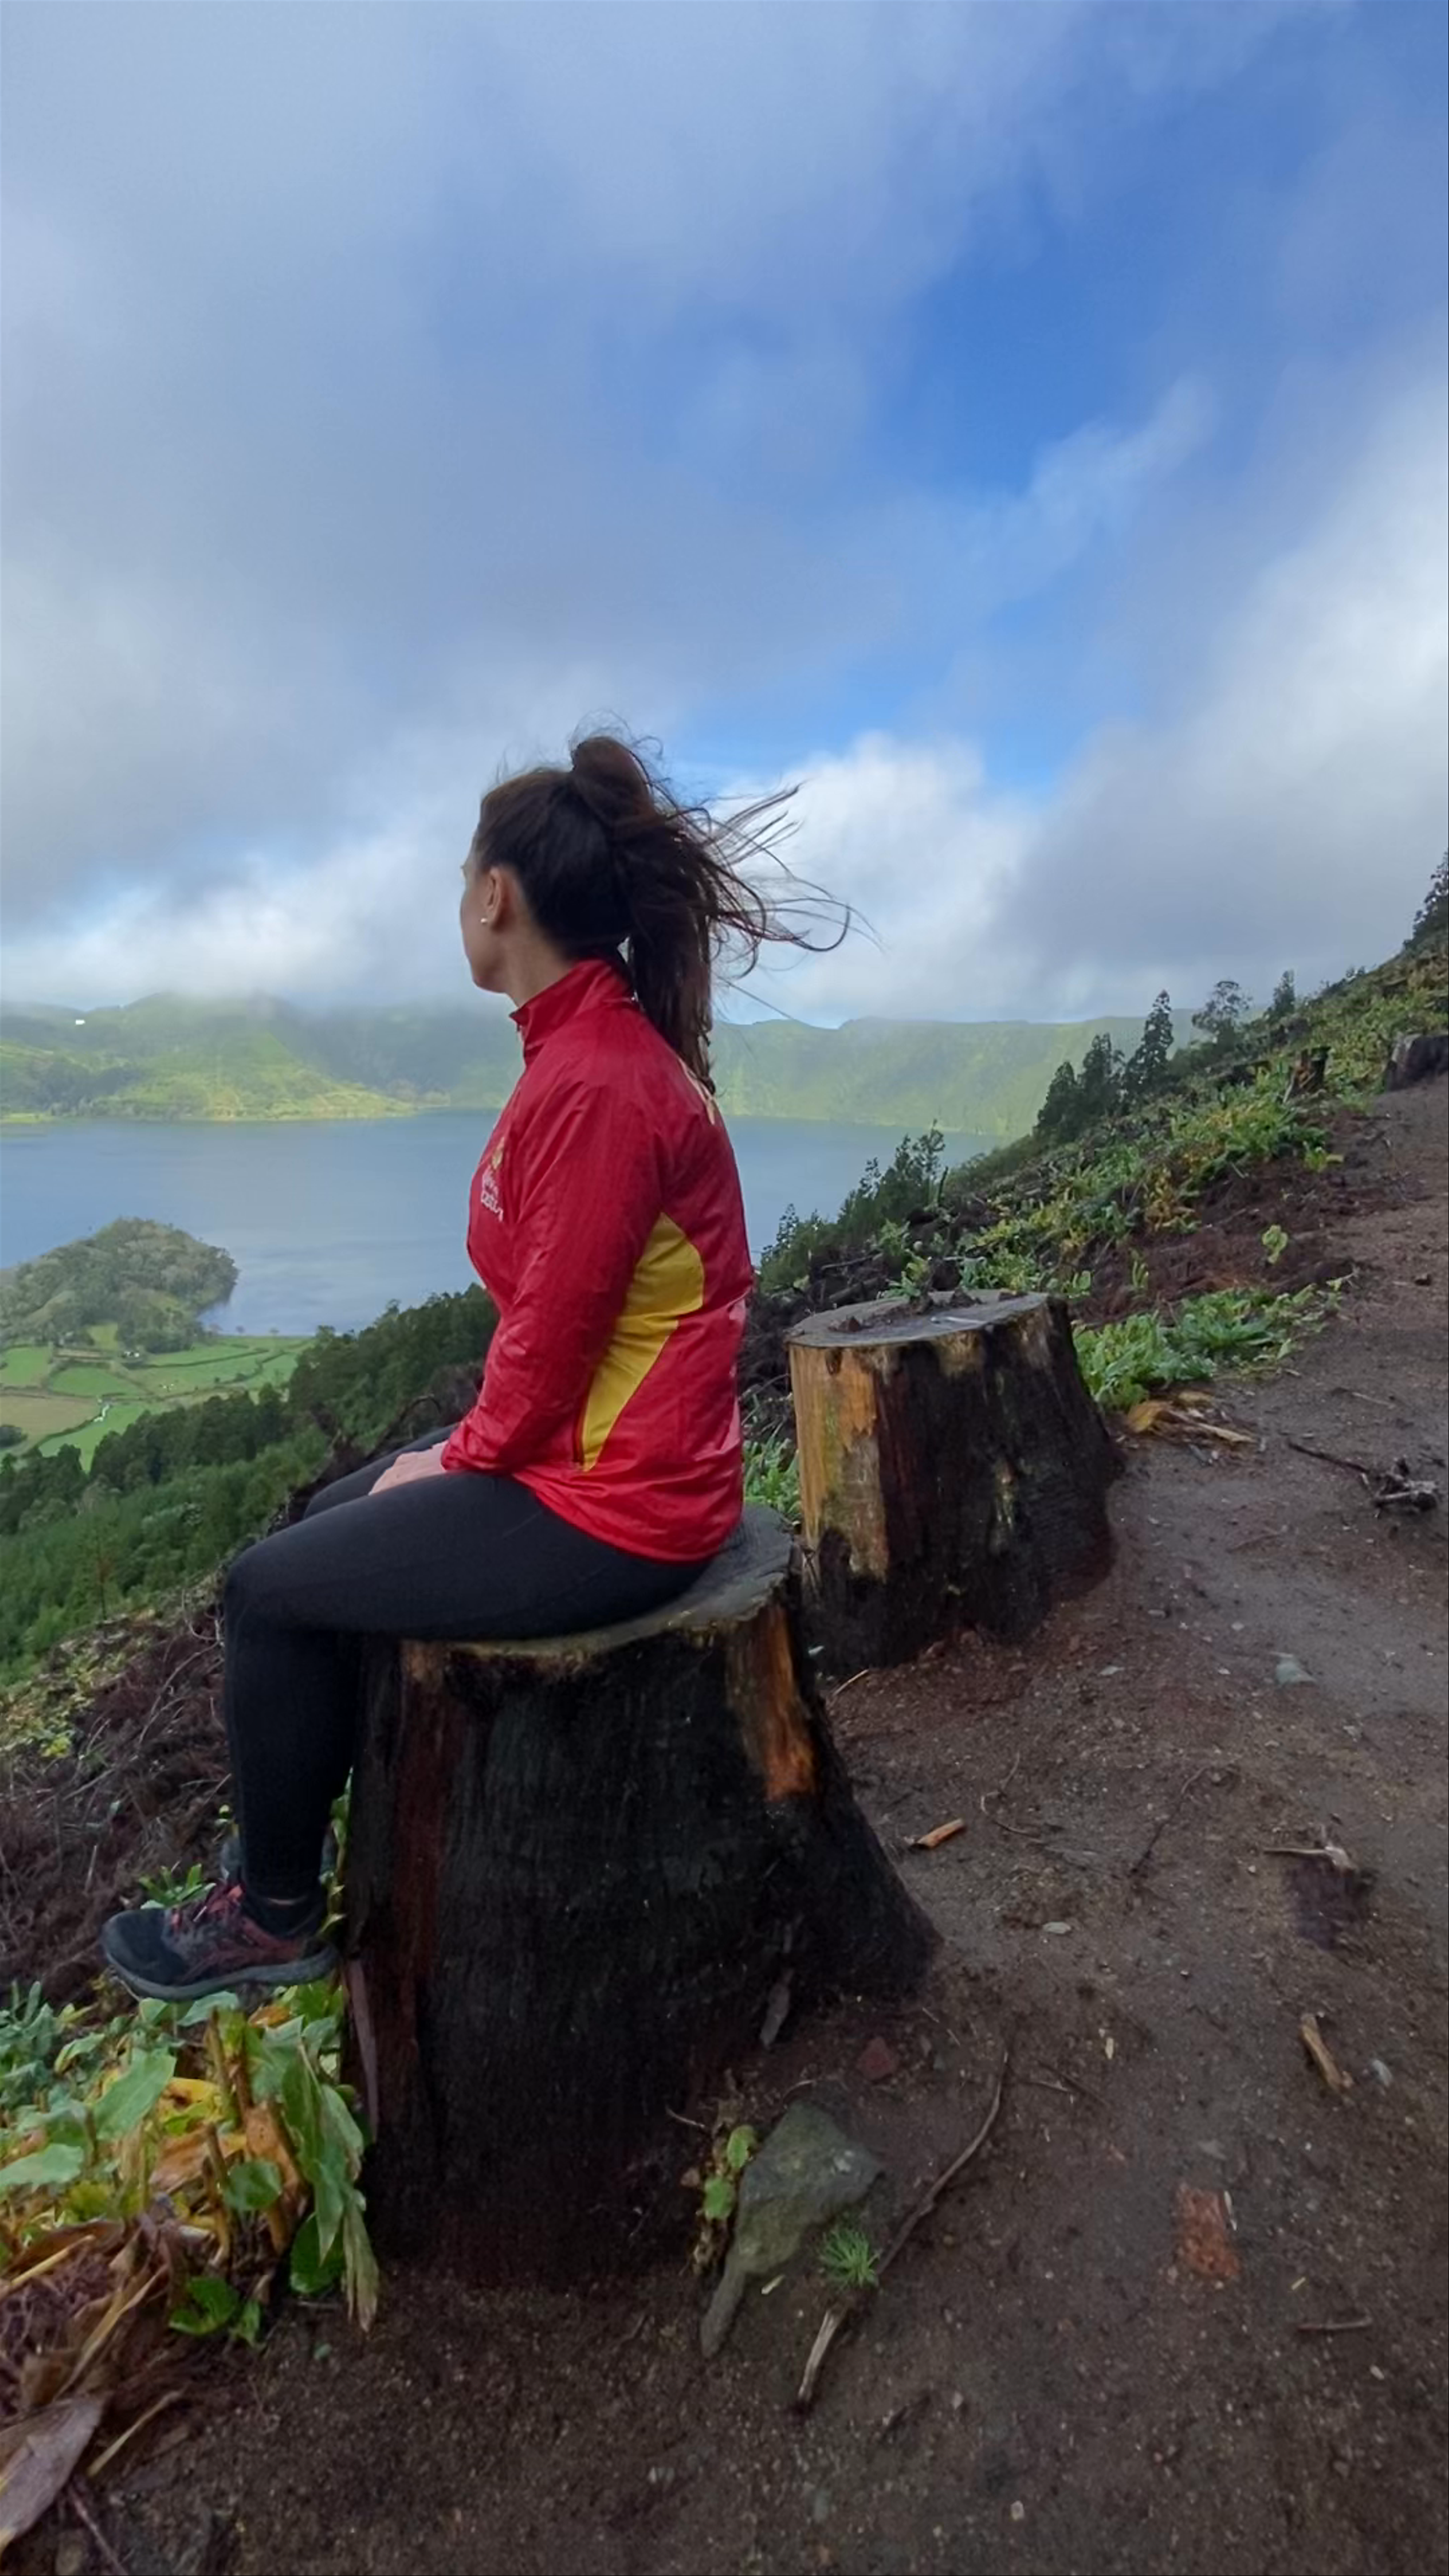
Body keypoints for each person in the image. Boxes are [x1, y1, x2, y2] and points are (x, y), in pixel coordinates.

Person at [102, 732, 833, 2002]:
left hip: (621, 1507)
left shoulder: (598, 1083)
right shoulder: (584, 1051)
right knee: (320, 1527)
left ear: (496, 897)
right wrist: (456, 1456)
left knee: (269, 1592)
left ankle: (273, 1916)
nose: (459, 902)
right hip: (607, 1470)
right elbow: (562, 1331)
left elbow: (549, 1347)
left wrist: (462, 1454)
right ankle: (288, 1837)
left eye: (462, 880)